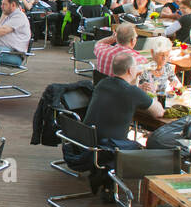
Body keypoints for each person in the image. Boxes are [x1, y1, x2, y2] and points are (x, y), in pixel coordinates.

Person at [67, 51, 163, 185]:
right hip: (107, 149)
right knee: (148, 146)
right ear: (130, 70)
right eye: (136, 66)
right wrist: (151, 94)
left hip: (86, 144)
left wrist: (137, 87)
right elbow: (159, 113)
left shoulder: (103, 84)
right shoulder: (132, 92)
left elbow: (122, 93)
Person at [136, 35, 182, 99]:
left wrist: (175, 84)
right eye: (161, 55)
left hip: (164, 101)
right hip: (148, 103)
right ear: (152, 52)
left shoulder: (167, 67)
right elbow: (134, 89)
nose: (164, 58)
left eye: (167, 55)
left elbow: (178, 84)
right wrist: (140, 87)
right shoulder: (144, 69)